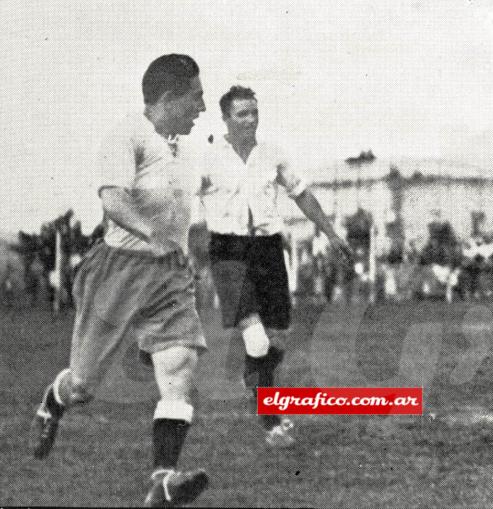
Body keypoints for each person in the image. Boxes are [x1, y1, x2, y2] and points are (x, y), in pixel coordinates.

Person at [31, 54, 212, 506]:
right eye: (196, 96)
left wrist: (185, 251)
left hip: (169, 275)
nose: (202, 107)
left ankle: (163, 479)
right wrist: (152, 234)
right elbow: (112, 199)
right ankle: (54, 400)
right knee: (84, 387)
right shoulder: (127, 134)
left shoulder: (186, 151)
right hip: (119, 269)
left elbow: (182, 214)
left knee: (179, 366)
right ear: (169, 98)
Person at [200, 85, 352, 447]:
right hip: (228, 250)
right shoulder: (207, 158)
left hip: (268, 249)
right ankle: (271, 421)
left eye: (254, 112)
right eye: (242, 114)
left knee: (277, 340)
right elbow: (177, 199)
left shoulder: (272, 154)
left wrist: (330, 232)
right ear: (225, 119)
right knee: (255, 338)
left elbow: (301, 194)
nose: (250, 120)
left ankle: (253, 376)